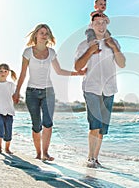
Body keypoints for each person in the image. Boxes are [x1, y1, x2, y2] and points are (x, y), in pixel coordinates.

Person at [13, 24, 85, 161]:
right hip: (31, 92)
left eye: (46, 33)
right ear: (36, 35)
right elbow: (23, 74)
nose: (44, 35)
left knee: (48, 123)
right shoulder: (28, 52)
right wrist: (17, 92)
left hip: (48, 92)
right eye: (41, 33)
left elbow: (59, 71)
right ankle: (38, 153)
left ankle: (45, 153)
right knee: (36, 125)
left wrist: (77, 73)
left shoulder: (51, 53)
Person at [75, 13, 126, 168]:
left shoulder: (114, 42)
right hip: (91, 87)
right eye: (97, 23)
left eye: (103, 22)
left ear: (107, 24)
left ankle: (96, 159)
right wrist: (90, 50)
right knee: (95, 124)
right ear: (92, 25)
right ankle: (90, 158)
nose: (101, 26)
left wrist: (114, 48)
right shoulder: (84, 44)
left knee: (102, 128)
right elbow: (77, 67)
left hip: (109, 89)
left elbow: (122, 63)